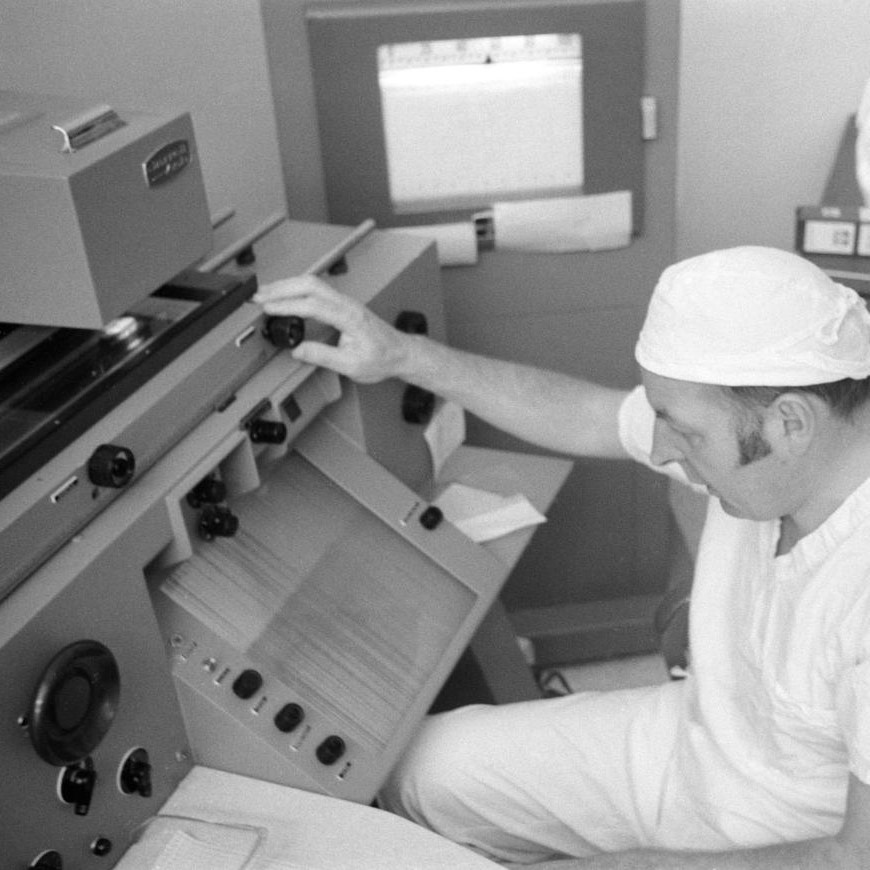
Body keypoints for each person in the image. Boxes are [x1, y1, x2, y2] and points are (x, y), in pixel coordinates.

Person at [255, 245, 870, 869]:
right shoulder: (784, 441)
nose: (660, 452)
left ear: (791, 424)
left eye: (682, 432)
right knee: (418, 770)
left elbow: (854, 858)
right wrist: (402, 355)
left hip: (787, 841)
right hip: (691, 744)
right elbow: (587, 413)